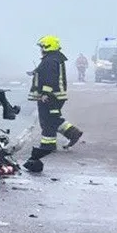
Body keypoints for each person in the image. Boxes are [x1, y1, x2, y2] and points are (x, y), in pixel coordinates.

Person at [23, 35, 84, 173]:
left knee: (47, 120)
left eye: (42, 47)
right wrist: (35, 72)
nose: (40, 49)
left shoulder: (50, 60)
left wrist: (46, 93)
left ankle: (48, 145)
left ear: (47, 46)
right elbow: (47, 74)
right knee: (53, 118)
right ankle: (73, 133)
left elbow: (50, 78)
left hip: (51, 97)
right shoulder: (53, 58)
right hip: (55, 96)